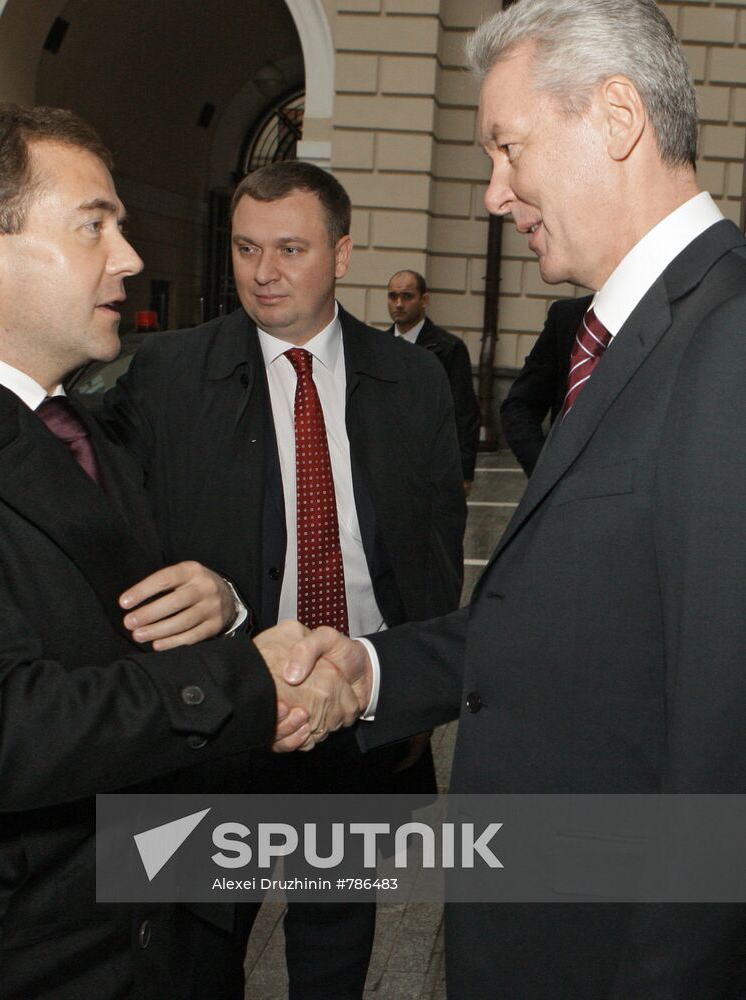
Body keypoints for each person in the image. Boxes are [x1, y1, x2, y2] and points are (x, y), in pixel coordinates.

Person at [284, 1, 746, 997]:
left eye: (508, 148)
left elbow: (724, 749)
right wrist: (367, 668)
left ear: (617, 118)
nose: (496, 194)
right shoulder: (628, 337)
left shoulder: (730, 340)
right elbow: (563, 626)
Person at [0, 103, 355, 1000]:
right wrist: (248, 674)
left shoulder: (77, 424)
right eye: (94, 225)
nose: (129, 258)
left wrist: (219, 600)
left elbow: (119, 625)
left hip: (154, 928)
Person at [101, 160, 466, 999]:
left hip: (356, 720)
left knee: (334, 940)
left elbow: (435, 548)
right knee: (198, 952)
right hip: (218, 721)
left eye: (290, 249)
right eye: (245, 248)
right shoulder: (167, 376)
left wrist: (411, 690)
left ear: (341, 254)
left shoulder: (413, 380)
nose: (263, 273)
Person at [385, 269, 481, 494]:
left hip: (433, 466)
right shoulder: (379, 347)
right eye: (393, 296)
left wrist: (464, 472)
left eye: (407, 296)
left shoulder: (448, 348)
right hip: (388, 467)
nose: (398, 303)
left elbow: (464, 412)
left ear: (424, 300)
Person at [500, 294, 590, 475]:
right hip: (561, 482)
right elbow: (520, 404)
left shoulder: (659, 316)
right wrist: (544, 472)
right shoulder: (568, 315)